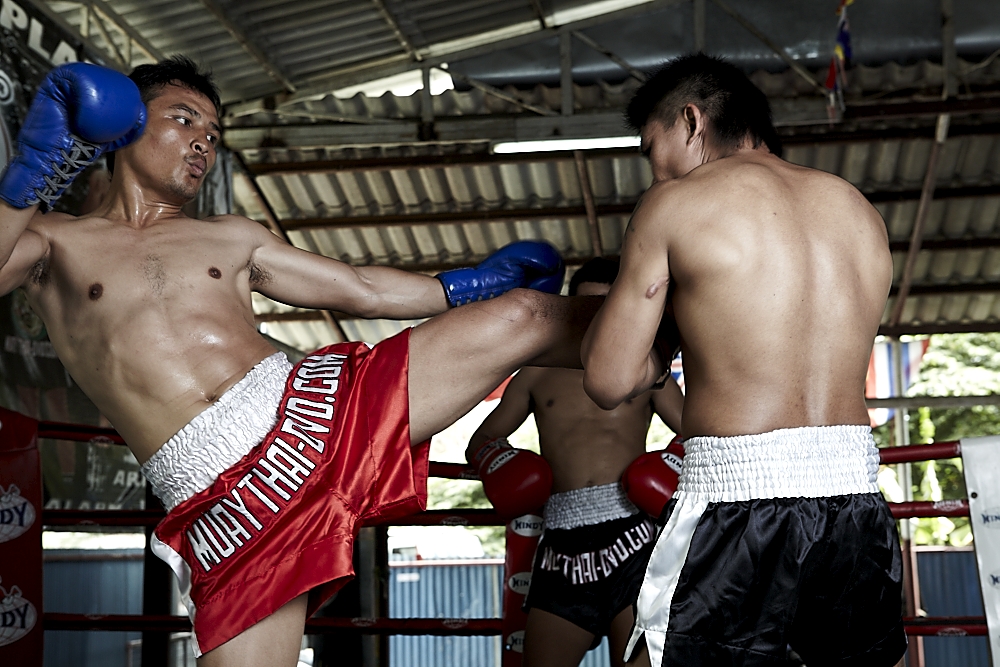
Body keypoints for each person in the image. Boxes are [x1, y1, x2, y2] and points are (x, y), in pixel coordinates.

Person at [0, 57, 603, 666]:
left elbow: (359, 289)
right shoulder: (54, 241)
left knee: (524, 312)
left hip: (313, 414)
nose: (202, 145)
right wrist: (29, 174)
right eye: (184, 122)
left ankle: (670, 335)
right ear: (125, 125)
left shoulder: (231, 236)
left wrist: (472, 284)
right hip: (226, 504)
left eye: (212, 135)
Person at [580, 54, 905, 667]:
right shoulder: (857, 209)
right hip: (856, 501)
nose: (655, 170)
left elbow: (607, 378)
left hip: (738, 500)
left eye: (653, 147)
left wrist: (667, 347)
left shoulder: (675, 204)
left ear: (691, 121)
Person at [466, 257, 684, 667]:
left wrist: (669, 466)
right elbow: (484, 438)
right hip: (561, 546)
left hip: (634, 536)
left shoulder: (647, 371)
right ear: (570, 306)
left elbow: (700, 431)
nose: (595, 319)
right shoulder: (535, 372)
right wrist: (502, 464)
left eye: (605, 307)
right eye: (585, 307)